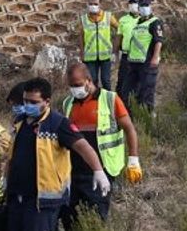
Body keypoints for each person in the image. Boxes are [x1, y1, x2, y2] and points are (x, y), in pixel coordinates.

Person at [5, 78, 110, 231]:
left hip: (42, 203)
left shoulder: (58, 124)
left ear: (47, 101)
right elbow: (13, 154)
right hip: (17, 197)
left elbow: (82, 146)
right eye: (26, 101)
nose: (28, 106)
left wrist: (98, 170)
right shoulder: (20, 122)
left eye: (34, 102)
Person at [60, 63, 142, 229]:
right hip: (74, 170)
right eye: (71, 86)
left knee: (96, 215)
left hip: (102, 170)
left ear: (89, 81)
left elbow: (129, 129)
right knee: (70, 218)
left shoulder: (110, 99)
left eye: (77, 85)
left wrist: (133, 159)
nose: (74, 89)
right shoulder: (68, 103)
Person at [123, 0, 164, 111]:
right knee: (128, 91)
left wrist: (155, 57)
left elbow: (158, 41)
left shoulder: (155, 22)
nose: (144, 8)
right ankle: (132, 117)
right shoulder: (138, 23)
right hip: (134, 63)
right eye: (141, 6)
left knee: (147, 92)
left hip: (147, 62)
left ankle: (147, 118)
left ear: (151, 7)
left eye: (146, 5)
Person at [78, 0, 118, 90]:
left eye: (95, 4)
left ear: (100, 4)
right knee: (93, 80)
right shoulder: (83, 19)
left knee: (106, 80)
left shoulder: (108, 17)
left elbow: (119, 29)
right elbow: (80, 37)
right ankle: (95, 102)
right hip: (90, 57)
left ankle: (109, 102)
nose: (93, 6)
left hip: (106, 56)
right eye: (90, 4)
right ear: (87, 4)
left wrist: (115, 48)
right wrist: (82, 53)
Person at [115, 0, 140, 94]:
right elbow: (118, 37)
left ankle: (136, 105)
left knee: (138, 82)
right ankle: (119, 104)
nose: (133, 4)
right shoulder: (123, 20)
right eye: (131, 2)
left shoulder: (144, 19)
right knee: (122, 80)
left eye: (135, 2)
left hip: (139, 55)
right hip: (126, 55)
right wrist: (114, 53)